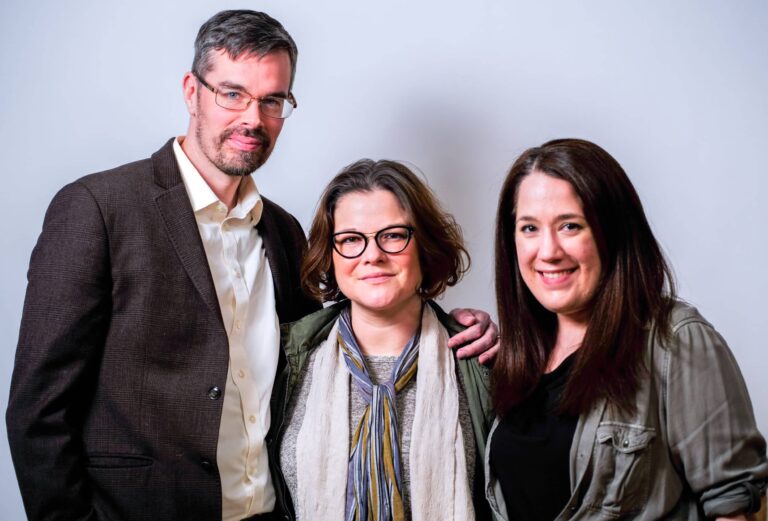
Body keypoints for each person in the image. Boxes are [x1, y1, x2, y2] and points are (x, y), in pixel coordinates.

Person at [6, 10, 497, 521]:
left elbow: (347, 328)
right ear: (191, 92)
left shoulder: (283, 233)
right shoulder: (99, 208)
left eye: (272, 100)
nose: (252, 119)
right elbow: (38, 411)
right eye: (232, 94)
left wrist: (459, 325)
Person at [486, 138, 768, 520]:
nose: (548, 250)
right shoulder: (518, 356)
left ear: (612, 233)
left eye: (570, 226)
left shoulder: (676, 341)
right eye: (529, 228)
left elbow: (736, 509)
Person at [274, 159, 494, 520]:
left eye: (392, 235)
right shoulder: (287, 358)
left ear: (423, 244)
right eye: (350, 239)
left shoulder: (478, 360)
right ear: (330, 254)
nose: (372, 255)